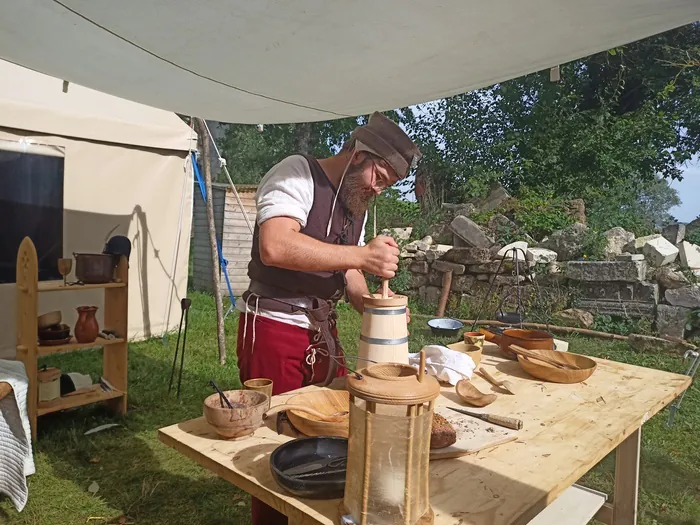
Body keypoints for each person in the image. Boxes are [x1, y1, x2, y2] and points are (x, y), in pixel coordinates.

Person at [236, 111, 420, 525]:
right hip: (273, 326)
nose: (379, 188)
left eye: (388, 184)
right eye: (380, 175)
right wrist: (363, 255)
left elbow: (349, 270)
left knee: (321, 433)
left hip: (320, 331)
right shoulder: (297, 175)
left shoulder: (357, 203)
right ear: (357, 153)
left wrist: (375, 308)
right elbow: (276, 246)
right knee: (274, 437)